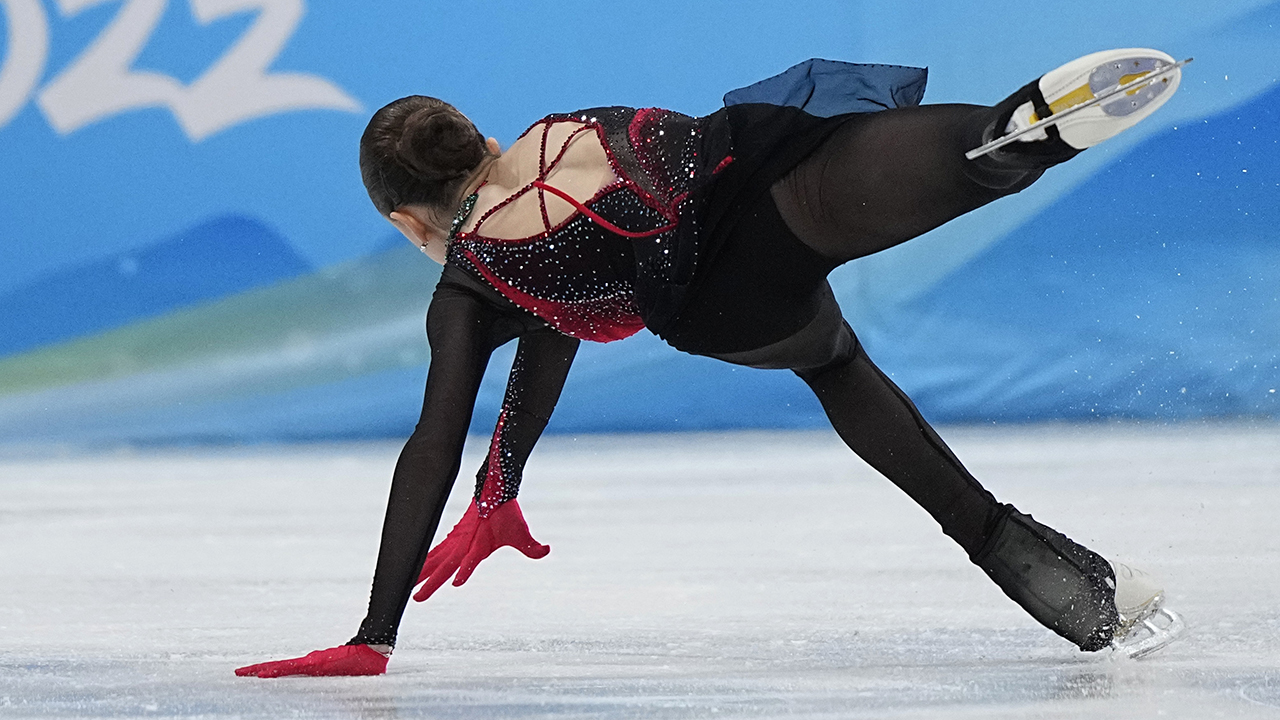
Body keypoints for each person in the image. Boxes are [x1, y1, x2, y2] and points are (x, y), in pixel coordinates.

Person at [235, 49, 1187, 678]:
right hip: (762, 172)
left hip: (730, 302)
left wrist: (378, 628)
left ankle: (1058, 585)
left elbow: (442, 429)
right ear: (481, 140)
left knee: (838, 367)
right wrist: (501, 486)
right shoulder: (561, 131)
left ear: (407, 221)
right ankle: (1020, 135)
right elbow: (549, 337)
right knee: (952, 153)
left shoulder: (477, 278)